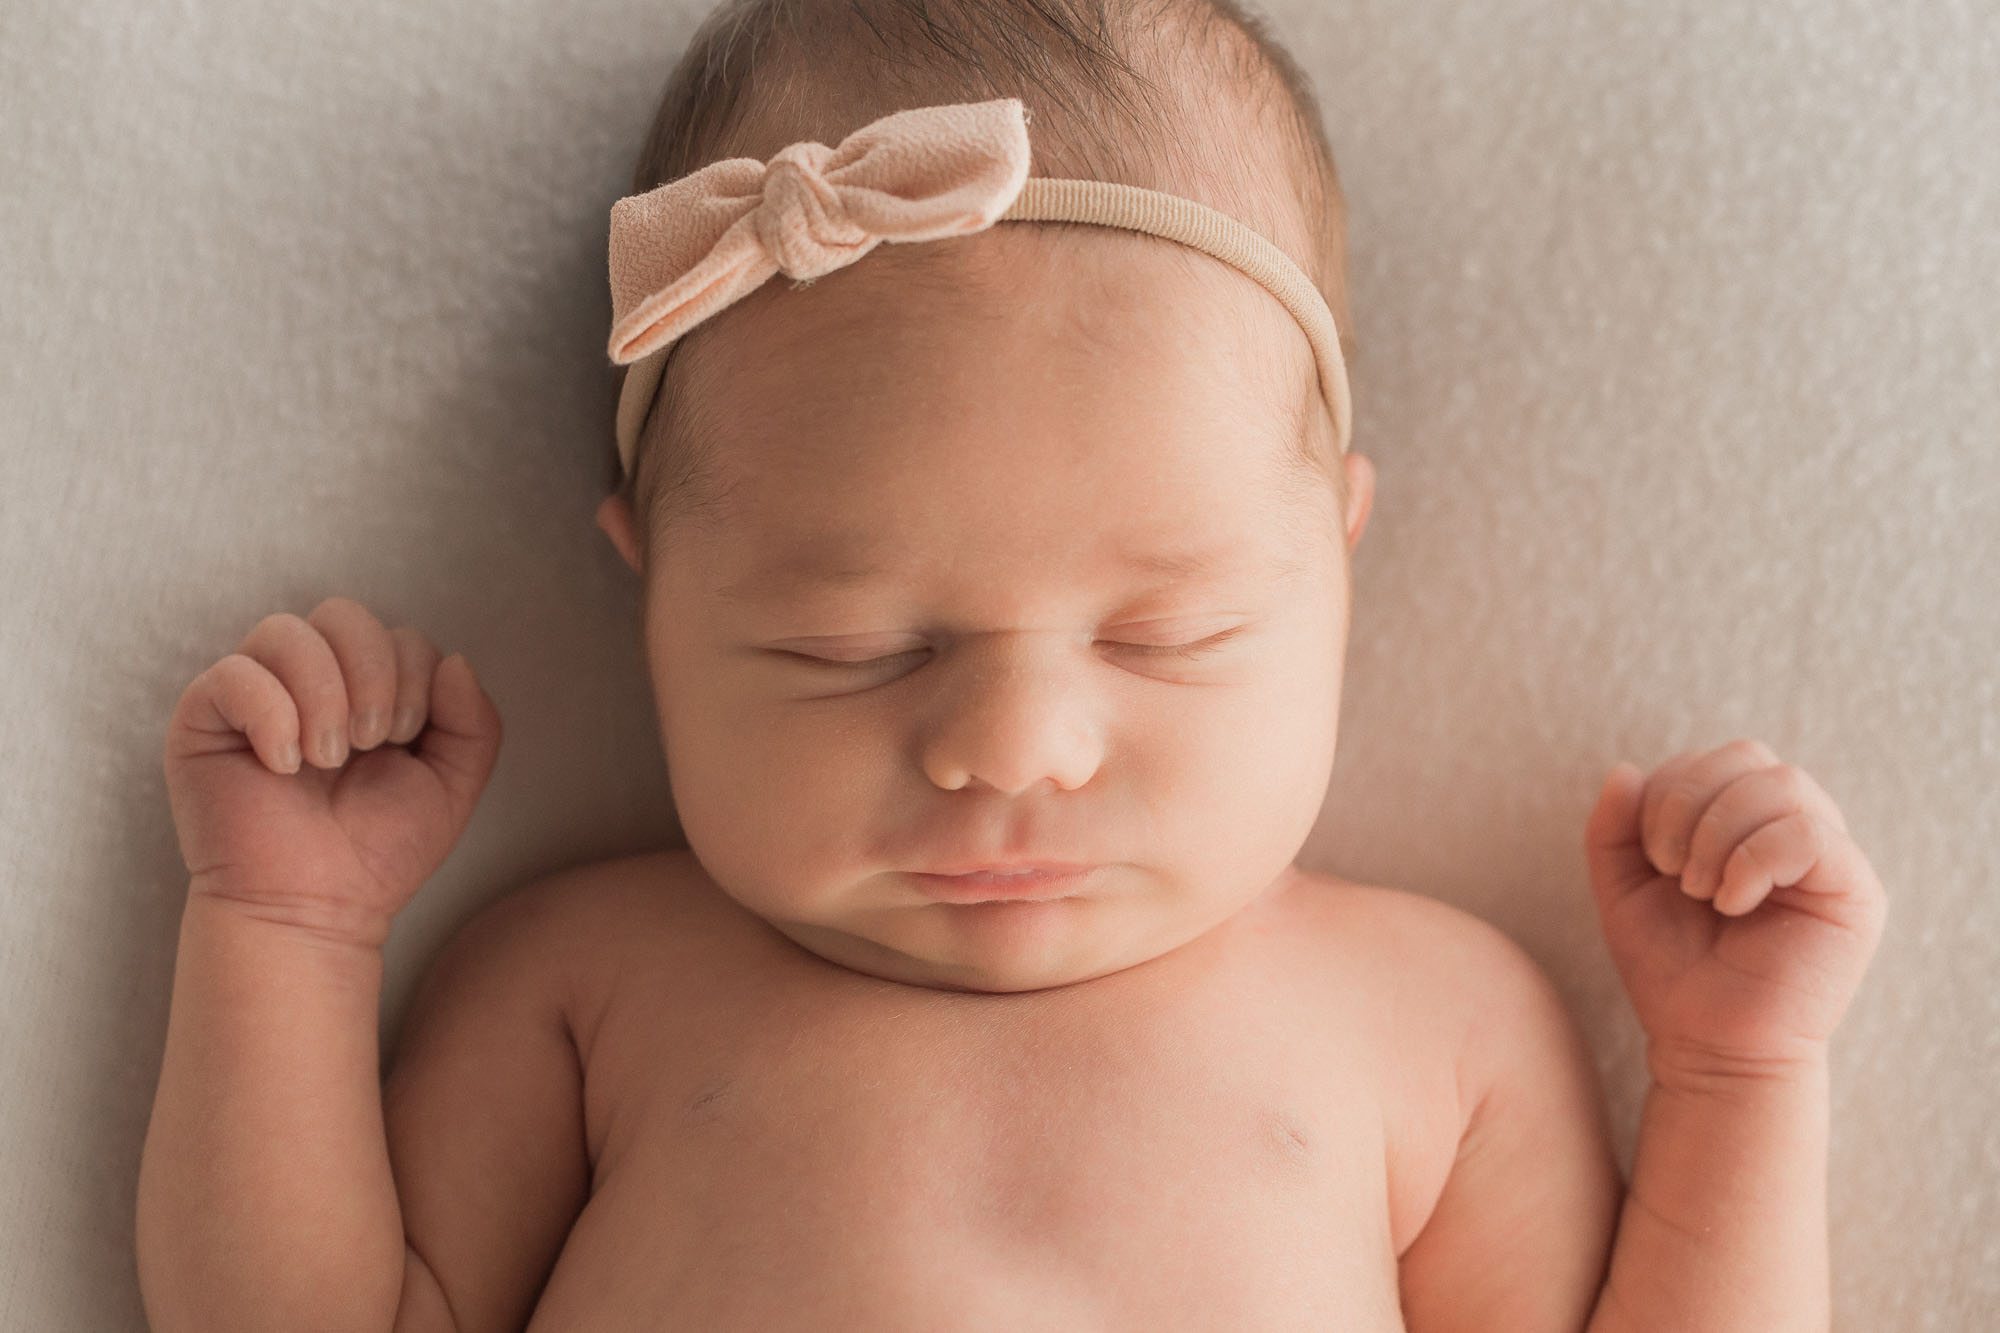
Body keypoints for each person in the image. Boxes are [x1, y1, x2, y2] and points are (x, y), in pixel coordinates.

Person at [135, 2, 1887, 1328]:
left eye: (1166, 635)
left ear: (1338, 561)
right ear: (651, 594)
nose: (1015, 744)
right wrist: (286, 930)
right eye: (855, 646)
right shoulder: (588, 983)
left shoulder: (1436, 1022)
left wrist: (1738, 1079)